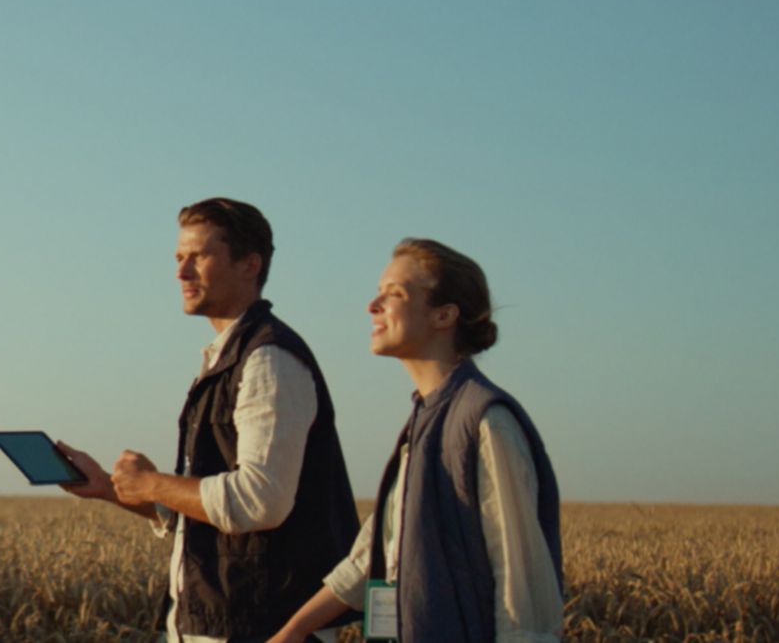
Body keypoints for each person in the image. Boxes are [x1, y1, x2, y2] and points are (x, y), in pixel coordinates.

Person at [56, 197, 361, 643]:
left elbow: (260, 500)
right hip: (220, 624)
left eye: (199, 257)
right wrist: (109, 487)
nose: (181, 272)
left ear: (249, 265)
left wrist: (153, 482)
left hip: (262, 627)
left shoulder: (269, 359)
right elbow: (215, 513)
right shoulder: (230, 357)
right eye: (179, 258)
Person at [267, 239, 564, 643]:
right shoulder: (423, 421)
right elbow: (371, 557)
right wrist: (294, 631)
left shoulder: (486, 422)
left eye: (395, 294)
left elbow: (521, 587)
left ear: (444, 315)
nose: (373, 306)